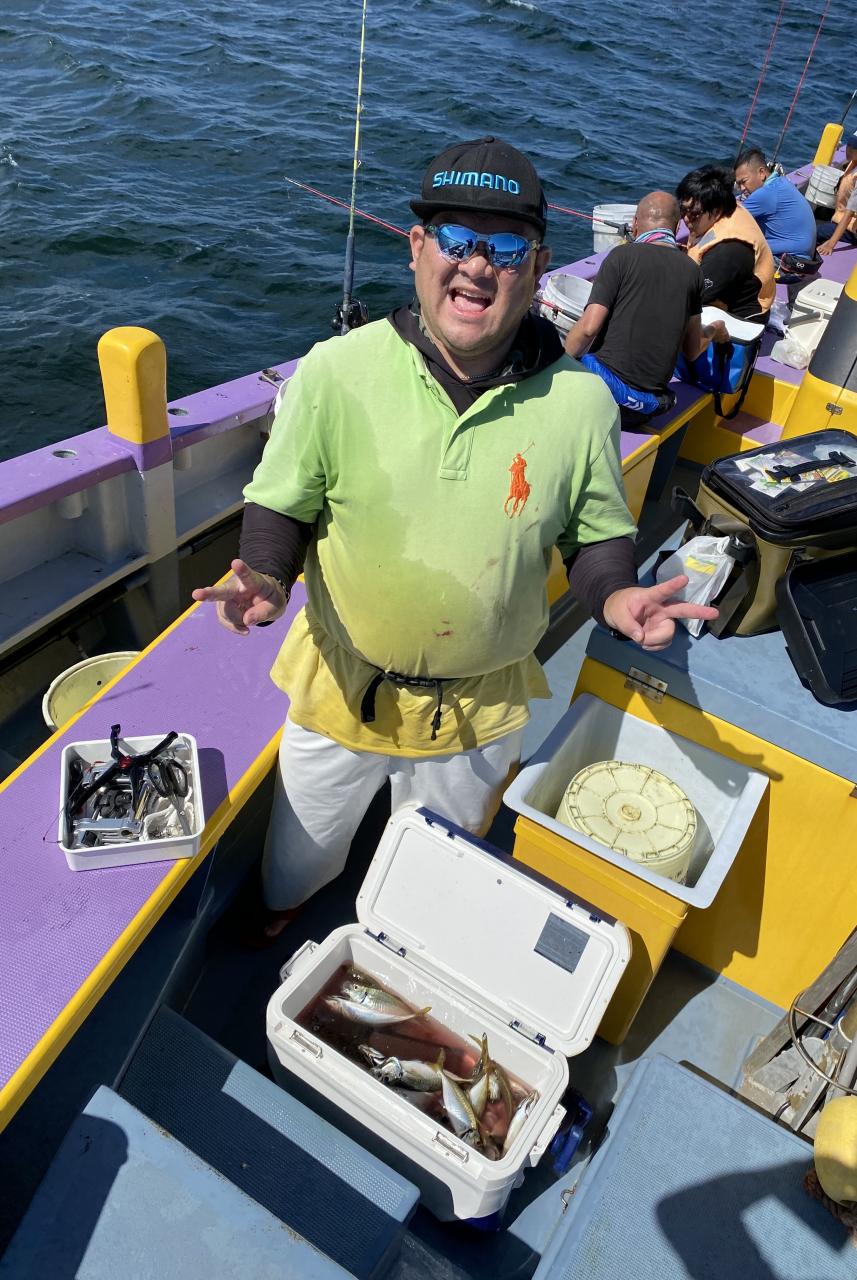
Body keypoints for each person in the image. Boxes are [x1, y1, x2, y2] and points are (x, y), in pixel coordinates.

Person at [193, 137, 717, 942]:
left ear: (537, 266)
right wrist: (263, 577)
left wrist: (616, 594)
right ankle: (281, 911)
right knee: (299, 852)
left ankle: (402, 938)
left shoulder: (581, 403)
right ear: (417, 248)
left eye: (504, 247)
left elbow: (593, 537)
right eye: (456, 239)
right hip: (338, 682)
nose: (476, 266)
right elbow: (283, 505)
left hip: (477, 709)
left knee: (436, 868)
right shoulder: (333, 370)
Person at [563, 191, 728, 428]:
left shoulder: (621, 256)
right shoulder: (693, 271)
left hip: (600, 398)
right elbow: (691, 351)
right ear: (677, 227)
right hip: (642, 412)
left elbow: (588, 329)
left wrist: (557, 369)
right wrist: (714, 329)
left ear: (634, 224)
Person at [676, 165, 775, 322]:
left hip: (743, 320)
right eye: (682, 210)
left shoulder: (728, 251)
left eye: (694, 214)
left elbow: (687, 299)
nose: (686, 219)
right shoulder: (728, 208)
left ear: (716, 210)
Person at [733, 148, 817, 258]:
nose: (742, 188)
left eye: (744, 181)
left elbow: (731, 218)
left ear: (761, 173)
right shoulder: (781, 182)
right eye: (739, 184)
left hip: (788, 260)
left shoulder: (766, 193)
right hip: (805, 256)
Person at [816, 129, 857, 253]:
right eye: (849, 145)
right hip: (840, 215)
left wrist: (831, 243)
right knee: (817, 213)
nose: (849, 150)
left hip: (852, 229)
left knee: (817, 231)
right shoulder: (853, 163)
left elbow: (849, 213)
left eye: (854, 148)